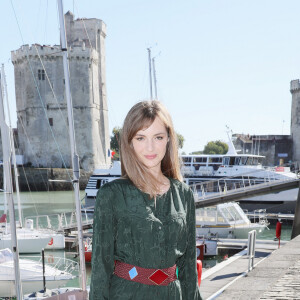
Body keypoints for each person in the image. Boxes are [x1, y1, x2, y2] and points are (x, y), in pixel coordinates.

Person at [90, 100, 202, 300]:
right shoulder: (111, 195)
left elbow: (188, 268)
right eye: (141, 137)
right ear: (130, 142)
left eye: (158, 137)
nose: (150, 147)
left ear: (168, 138)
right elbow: (101, 267)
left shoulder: (184, 194)